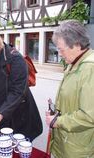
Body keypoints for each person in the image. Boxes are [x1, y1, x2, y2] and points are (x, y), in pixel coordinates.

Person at [0, 27, 42, 141]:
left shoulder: (15, 60)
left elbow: (18, 92)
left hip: (18, 115)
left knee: (15, 147)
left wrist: (1, 113)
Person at [45, 20, 94, 158]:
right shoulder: (75, 63)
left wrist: (58, 121)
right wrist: (55, 111)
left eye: (61, 49)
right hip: (67, 143)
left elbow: (90, 116)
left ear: (77, 45)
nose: (59, 53)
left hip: (77, 148)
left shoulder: (90, 68)